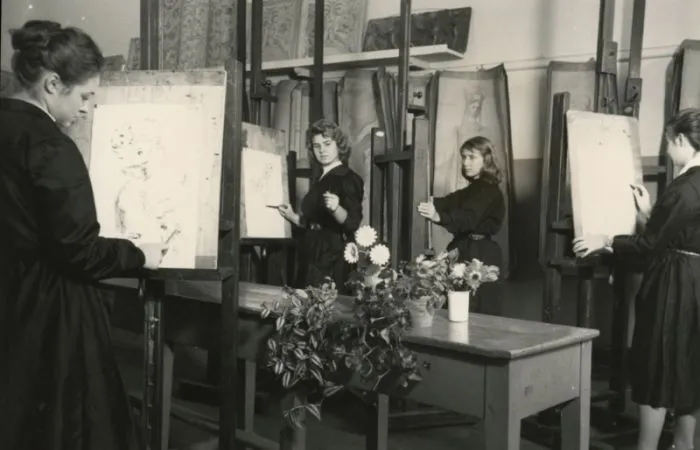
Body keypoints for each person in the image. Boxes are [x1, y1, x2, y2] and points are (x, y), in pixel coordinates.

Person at [0, 20, 167, 450]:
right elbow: (79, 251)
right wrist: (139, 255)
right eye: (85, 96)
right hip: (50, 313)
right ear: (53, 84)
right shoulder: (50, 146)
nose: (88, 109)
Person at [573, 108, 700, 450]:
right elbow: (682, 231)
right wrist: (648, 213)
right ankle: (685, 445)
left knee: (656, 363)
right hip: (695, 280)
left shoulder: (686, 186)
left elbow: (648, 246)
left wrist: (604, 240)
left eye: (668, 143)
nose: (667, 151)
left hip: (675, 283)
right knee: (688, 365)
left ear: (681, 140)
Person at [417, 136, 506, 313]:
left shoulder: (488, 190)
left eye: (472, 157)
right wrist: (425, 200)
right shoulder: (473, 189)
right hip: (465, 248)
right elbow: (449, 201)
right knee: (458, 307)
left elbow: (468, 218)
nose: (466, 162)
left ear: (486, 159)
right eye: (464, 157)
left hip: (480, 255)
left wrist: (438, 217)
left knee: (475, 309)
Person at [277, 118, 364, 292]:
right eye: (317, 146)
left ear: (339, 146)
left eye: (327, 144)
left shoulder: (348, 178)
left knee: (324, 304)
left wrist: (337, 208)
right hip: (312, 250)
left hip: (332, 257)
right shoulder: (321, 178)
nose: (322, 150)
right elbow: (315, 222)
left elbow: (352, 223)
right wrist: (293, 216)